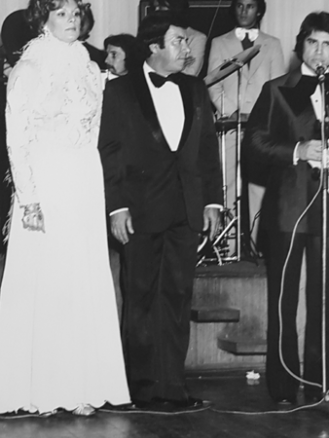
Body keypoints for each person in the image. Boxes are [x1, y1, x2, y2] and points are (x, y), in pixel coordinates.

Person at [0, 0, 130, 417]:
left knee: (81, 278)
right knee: (47, 280)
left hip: (83, 179)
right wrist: (28, 196)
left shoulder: (89, 66)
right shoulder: (29, 68)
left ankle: (82, 385)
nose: (71, 20)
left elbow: (97, 129)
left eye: (76, 12)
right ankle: (41, 389)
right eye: (62, 12)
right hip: (45, 180)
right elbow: (16, 138)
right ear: (43, 19)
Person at [99, 11, 223, 410]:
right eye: (179, 41)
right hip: (139, 210)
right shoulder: (119, 91)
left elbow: (208, 148)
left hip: (185, 209)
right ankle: (140, 389)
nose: (187, 48)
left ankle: (173, 387)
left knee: (177, 297)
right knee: (139, 299)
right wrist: (116, 206)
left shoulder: (195, 88)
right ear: (154, 46)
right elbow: (109, 152)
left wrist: (213, 201)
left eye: (186, 41)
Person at [243, 11, 329, 405]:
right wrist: (297, 149)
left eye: (328, 44)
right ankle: (282, 387)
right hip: (287, 210)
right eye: (313, 42)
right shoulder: (276, 89)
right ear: (301, 45)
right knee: (283, 302)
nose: (320, 51)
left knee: (324, 303)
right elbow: (253, 144)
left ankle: (322, 387)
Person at [207, 0, 286, 254]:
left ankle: (256, 246)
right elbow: (212, 84)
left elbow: (278, 86)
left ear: (259, 10)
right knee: (228, 185)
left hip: (261, 129)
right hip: (230, 126)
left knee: (259, 187)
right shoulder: (219, 43)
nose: (244, 11)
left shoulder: (273, 44)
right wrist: (232, 111)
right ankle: (228, 248)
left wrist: (261, 116)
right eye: (240, 5)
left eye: (250, 6)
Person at [145, 0, 206, 76]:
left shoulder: (197, 37)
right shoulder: (148, 33)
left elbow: (190, 74)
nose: (156, 10)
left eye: (160, 6)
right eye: (154, 7)